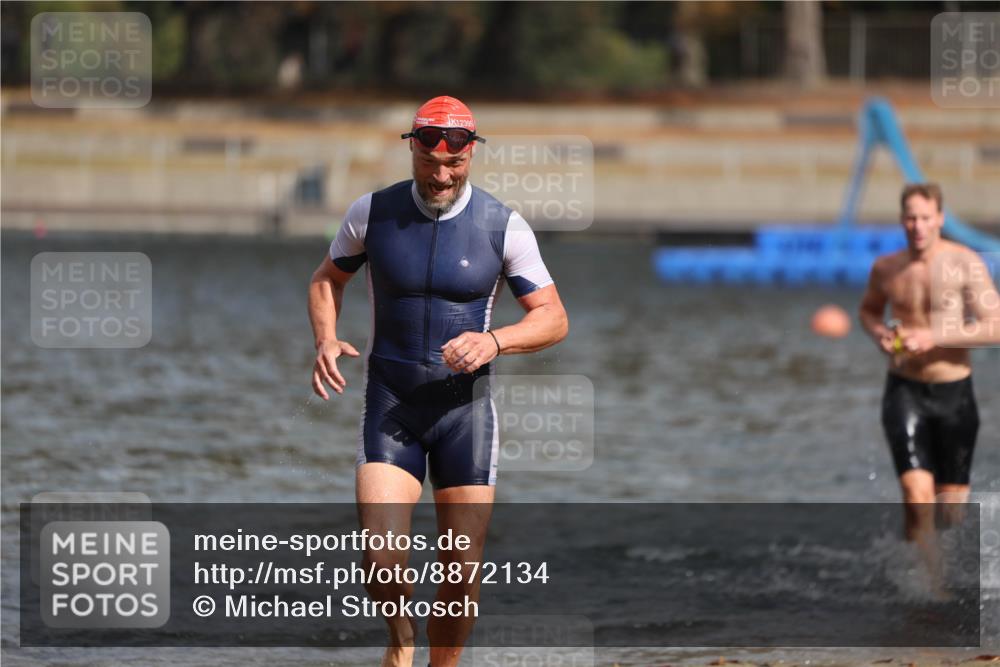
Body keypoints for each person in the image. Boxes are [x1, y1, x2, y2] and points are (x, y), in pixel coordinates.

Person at [307, 95, 568, 667]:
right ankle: (400, 643)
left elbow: (553, 317)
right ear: (413, 151)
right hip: (392, 403)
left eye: (455, 164)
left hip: (463, 414)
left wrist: (494, 341)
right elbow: (328, 279)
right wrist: (326, 338)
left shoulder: (504, 226)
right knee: (379, 554)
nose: (442, 176)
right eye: (430, 165)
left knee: (461, 571)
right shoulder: (372, 214)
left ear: (471, 152)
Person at [859, 182, 999, 544]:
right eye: (910, 218)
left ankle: (940, 580)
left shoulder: (965, 263)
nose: (918, 226)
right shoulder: (886, 268)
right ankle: (924, 590)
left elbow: (996, 325)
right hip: (904, 390)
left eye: (925, 217)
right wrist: (878, 334)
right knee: (917, 499)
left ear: (939, 218)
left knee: (950, 513)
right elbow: (868, 310)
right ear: (901, 220)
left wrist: (934, 336)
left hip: (954, 393)